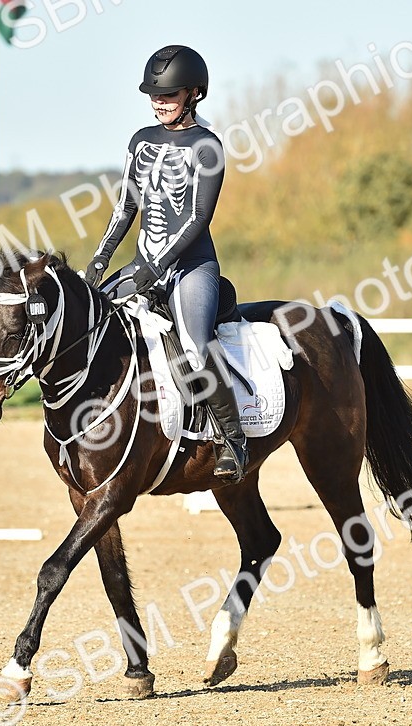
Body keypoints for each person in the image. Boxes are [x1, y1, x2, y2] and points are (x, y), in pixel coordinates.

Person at [86, 44, 248, 483]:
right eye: (155, 94)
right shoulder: (141, 140)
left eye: (170, 94)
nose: (159, 101)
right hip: (143, 263)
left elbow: (198, 218)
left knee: (195, 343)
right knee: (91, 323)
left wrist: (154, 269)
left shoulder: (207, 146)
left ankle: (232, 438)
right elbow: (125, 208)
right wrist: (99, 263)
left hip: (191, 267)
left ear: (194, 94)